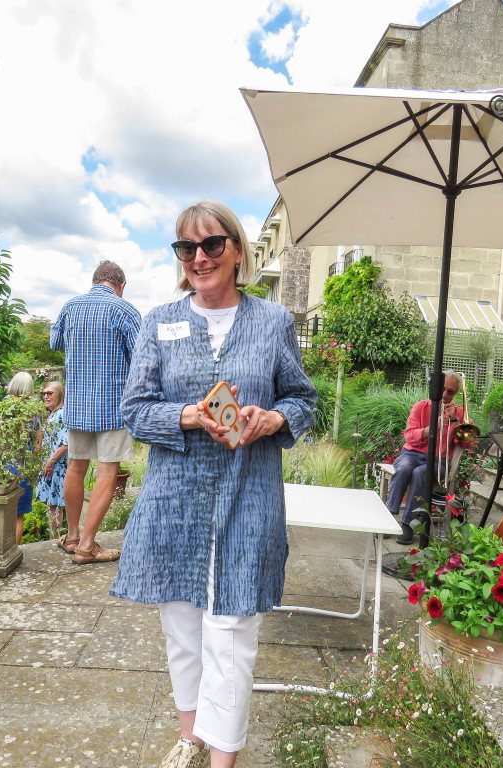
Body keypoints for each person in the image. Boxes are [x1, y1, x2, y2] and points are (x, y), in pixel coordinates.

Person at [109, 200, 316, 768]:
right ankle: (190, 737)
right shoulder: (158, 322)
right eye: (186, 247)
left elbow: (303, 400)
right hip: (175, 501)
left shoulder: (273, 322)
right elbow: (135, 410)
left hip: (249, 497)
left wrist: (273, 418)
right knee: (182, 627)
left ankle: (223, 756)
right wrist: (189, 416)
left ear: (237, 250)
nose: (199, 257)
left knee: (231, 633)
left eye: (212, 245)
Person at [50, 260, 141, 565]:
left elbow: (54, 342)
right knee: (107, 471)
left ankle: (72, 536)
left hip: (77, 404)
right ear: (121, 285)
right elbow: (141, 357)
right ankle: (87, 546)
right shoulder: (125, 310)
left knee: (76, 467)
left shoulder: (70, 307)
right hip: (113, 406)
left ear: (94, 281)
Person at [387, 371, 472, 545]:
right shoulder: (421, 406)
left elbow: (465, 444)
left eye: (450, 392)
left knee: (420, 473)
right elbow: (409, 436)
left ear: (455, 394)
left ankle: (408, 524)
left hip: (439, 461)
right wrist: (431, 429)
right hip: (412, 454)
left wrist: (455, 421)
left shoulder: (459, 413)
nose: (445, 394)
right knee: (404, 468)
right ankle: (388, 516)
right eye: (442, 389)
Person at [6, 371, 37, 545]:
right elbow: (38, 443)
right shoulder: (34, 411)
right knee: (18, 515)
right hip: (25, 463)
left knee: (3, 511)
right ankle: (15, 550)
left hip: (6, 461)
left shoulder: (4, 407)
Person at [35, 380, 68, 539]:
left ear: (59, 394)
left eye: (50, 393)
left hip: (58, 466)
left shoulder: (62, 414)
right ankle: (53, 538)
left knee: (56, 505)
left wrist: (51, 462)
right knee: (52, 505)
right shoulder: (53, 414)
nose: (46, 396)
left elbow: (66, 443)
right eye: (44, 393)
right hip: (51, 466)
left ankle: (55, 539)